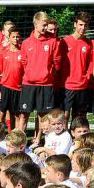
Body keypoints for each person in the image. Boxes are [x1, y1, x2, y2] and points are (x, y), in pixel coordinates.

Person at [18, 12, 62, 145]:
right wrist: (32, 73)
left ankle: (38, 141)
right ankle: (21, 141)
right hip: (29, 84)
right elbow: (24, 62)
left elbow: (57, 63)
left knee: (42, 116)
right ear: (35, 24)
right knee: (24, 114)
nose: (45, 28)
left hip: (46, 84)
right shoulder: (26, 43)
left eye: (46, 25)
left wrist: (47, 74)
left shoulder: (53, 42)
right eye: (43, 25)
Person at [60, 11, 94, 122]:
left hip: (82, 85)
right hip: (67, 85)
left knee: (79, 116)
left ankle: (78, 138)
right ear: (75, 24)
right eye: (80, 24)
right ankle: (65, 138)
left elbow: (91, 62)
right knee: (64, 115)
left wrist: (87, 76)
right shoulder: (64, 42)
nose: (83, 28)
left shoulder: (89, 43)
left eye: (85, 25)